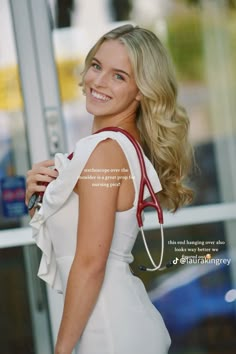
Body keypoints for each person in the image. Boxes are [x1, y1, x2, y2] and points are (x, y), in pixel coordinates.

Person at [25, 24, 194, 354]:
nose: (98, 81)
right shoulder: (110, 148)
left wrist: (60, 351)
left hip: (111, 330)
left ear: (141, 91)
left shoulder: (106, 151)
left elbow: (90, 263)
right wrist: (39, 202)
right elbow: (72, 249)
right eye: (97, 66)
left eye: (119, 76)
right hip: (107, 322)